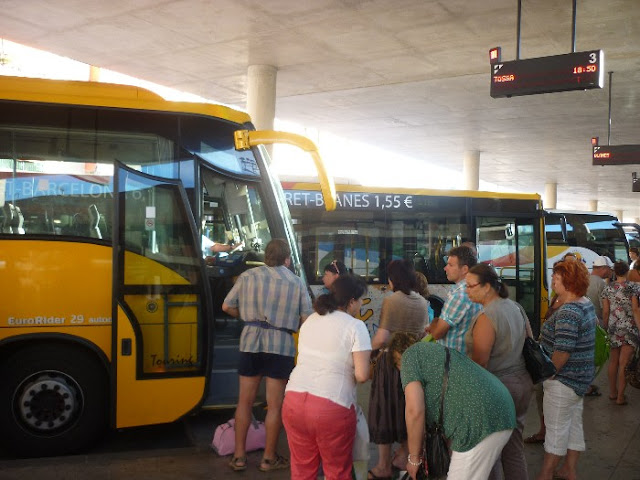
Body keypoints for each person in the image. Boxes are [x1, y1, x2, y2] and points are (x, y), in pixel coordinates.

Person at [222, 239, 313, 472]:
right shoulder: (296, 282)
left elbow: (226, 306)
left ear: (265, 256)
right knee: (274, 406)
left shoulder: (248, 276)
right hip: (281, 346)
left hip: (250, 342)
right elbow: (306, 318)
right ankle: (268, 459)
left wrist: (247, 318)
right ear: (287, 259)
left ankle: (239, 457)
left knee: (244, 402)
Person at [391, 332, 516, 480]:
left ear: (397, 359)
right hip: (498, 408)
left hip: (478, 422)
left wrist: (413, 458)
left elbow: (414, 411)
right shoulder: (438, 353)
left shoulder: (409, 357)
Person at [282, 274, 371, 480]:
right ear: (351, 302)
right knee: (337, 471)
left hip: (294, 400)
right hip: (331, 407)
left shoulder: (311, 319)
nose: (360, 305)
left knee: (302, 469)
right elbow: (362, 374)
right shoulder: (355, 326)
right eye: (360, 301)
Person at [465, 264, 533, 480]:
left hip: (498, 387)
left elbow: (480, 362)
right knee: (513, 448)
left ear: (487, 287)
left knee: (490, 452)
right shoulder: (515, 307)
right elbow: (530, 343)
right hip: (522, 383)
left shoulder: (488, 316)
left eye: (470, 286)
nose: (467, 290)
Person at [368, 260, 429, 479]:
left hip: (390, 363)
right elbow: (423, 336)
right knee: (408, 409)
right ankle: (404, 455)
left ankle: (383, 466)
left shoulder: (392, 300)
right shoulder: (422, 302)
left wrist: (368, 352)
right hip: (413, 363)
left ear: (393, 279)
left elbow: (382, 337)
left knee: (384, 412)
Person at [536, 259, 596, 480]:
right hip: (579, 380)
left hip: (563, 381)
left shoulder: (568, 312)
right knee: (573, 426)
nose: (552, 279)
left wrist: (549, 374)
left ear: (567, 281)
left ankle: (546, 474)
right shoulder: (585, 303)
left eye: (556, 277)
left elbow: (563, 351)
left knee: (556, 431)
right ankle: (569, 470)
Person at [426, 245, 482, 354]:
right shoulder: (474, 289)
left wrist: (433, 325)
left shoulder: (460, 295)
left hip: (453, 359)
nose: (445, 268)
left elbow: (437, 333)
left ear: (464, 269)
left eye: (450, 265)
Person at [601, 260, 640, 406]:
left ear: (615, 272)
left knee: (613, 362)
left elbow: (605, 311)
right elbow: (635, 309)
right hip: (629, 328)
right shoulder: (633, 287)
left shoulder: (608, 288)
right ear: (626, 272)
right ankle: (620, 397)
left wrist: (605, 326)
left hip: (613, 327)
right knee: (624, 364)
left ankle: (612, 392)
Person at [586, 256, 613, 323]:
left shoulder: (585, 280)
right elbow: (605, 310)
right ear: (604, 268)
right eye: (610, 269)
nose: (611, 271)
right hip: (598, 324)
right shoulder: (601, 283)